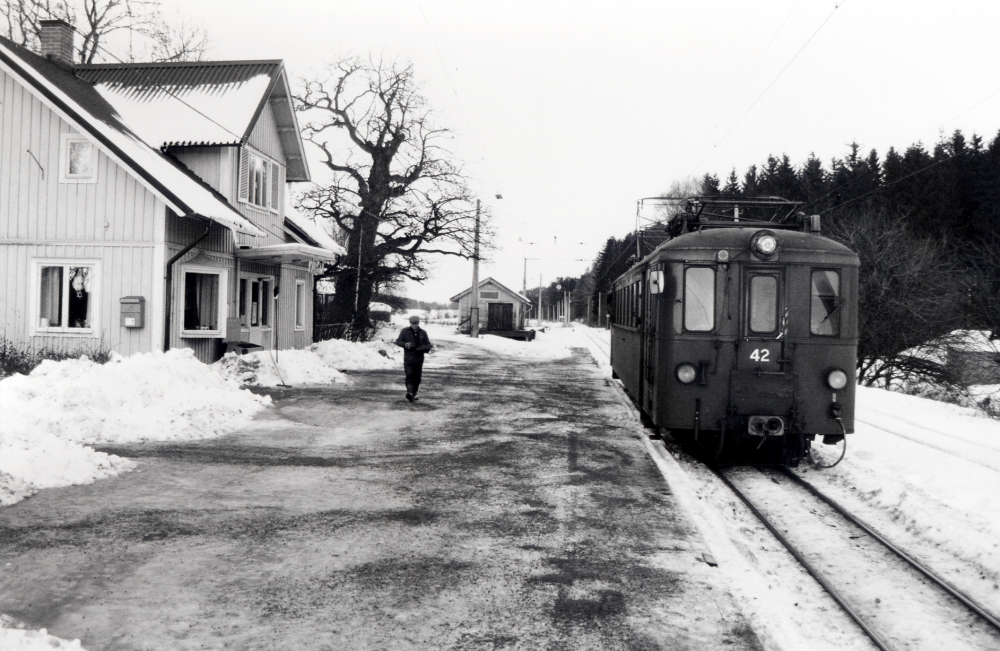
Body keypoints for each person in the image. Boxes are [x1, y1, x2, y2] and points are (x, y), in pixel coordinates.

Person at [395, 315, 433, 402]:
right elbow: (398, 341)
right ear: (410, 323)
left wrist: (423, 348)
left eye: (416, 323)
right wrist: (405, 344)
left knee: (417, 377)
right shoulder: (405, 331)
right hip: (408, 358)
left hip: (419, 359)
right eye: (412, 323)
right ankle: (410, 392)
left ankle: (414, 392)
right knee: (409, 375)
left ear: (419, 323)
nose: (414, 325)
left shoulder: (423, 332)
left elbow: (428, 344)